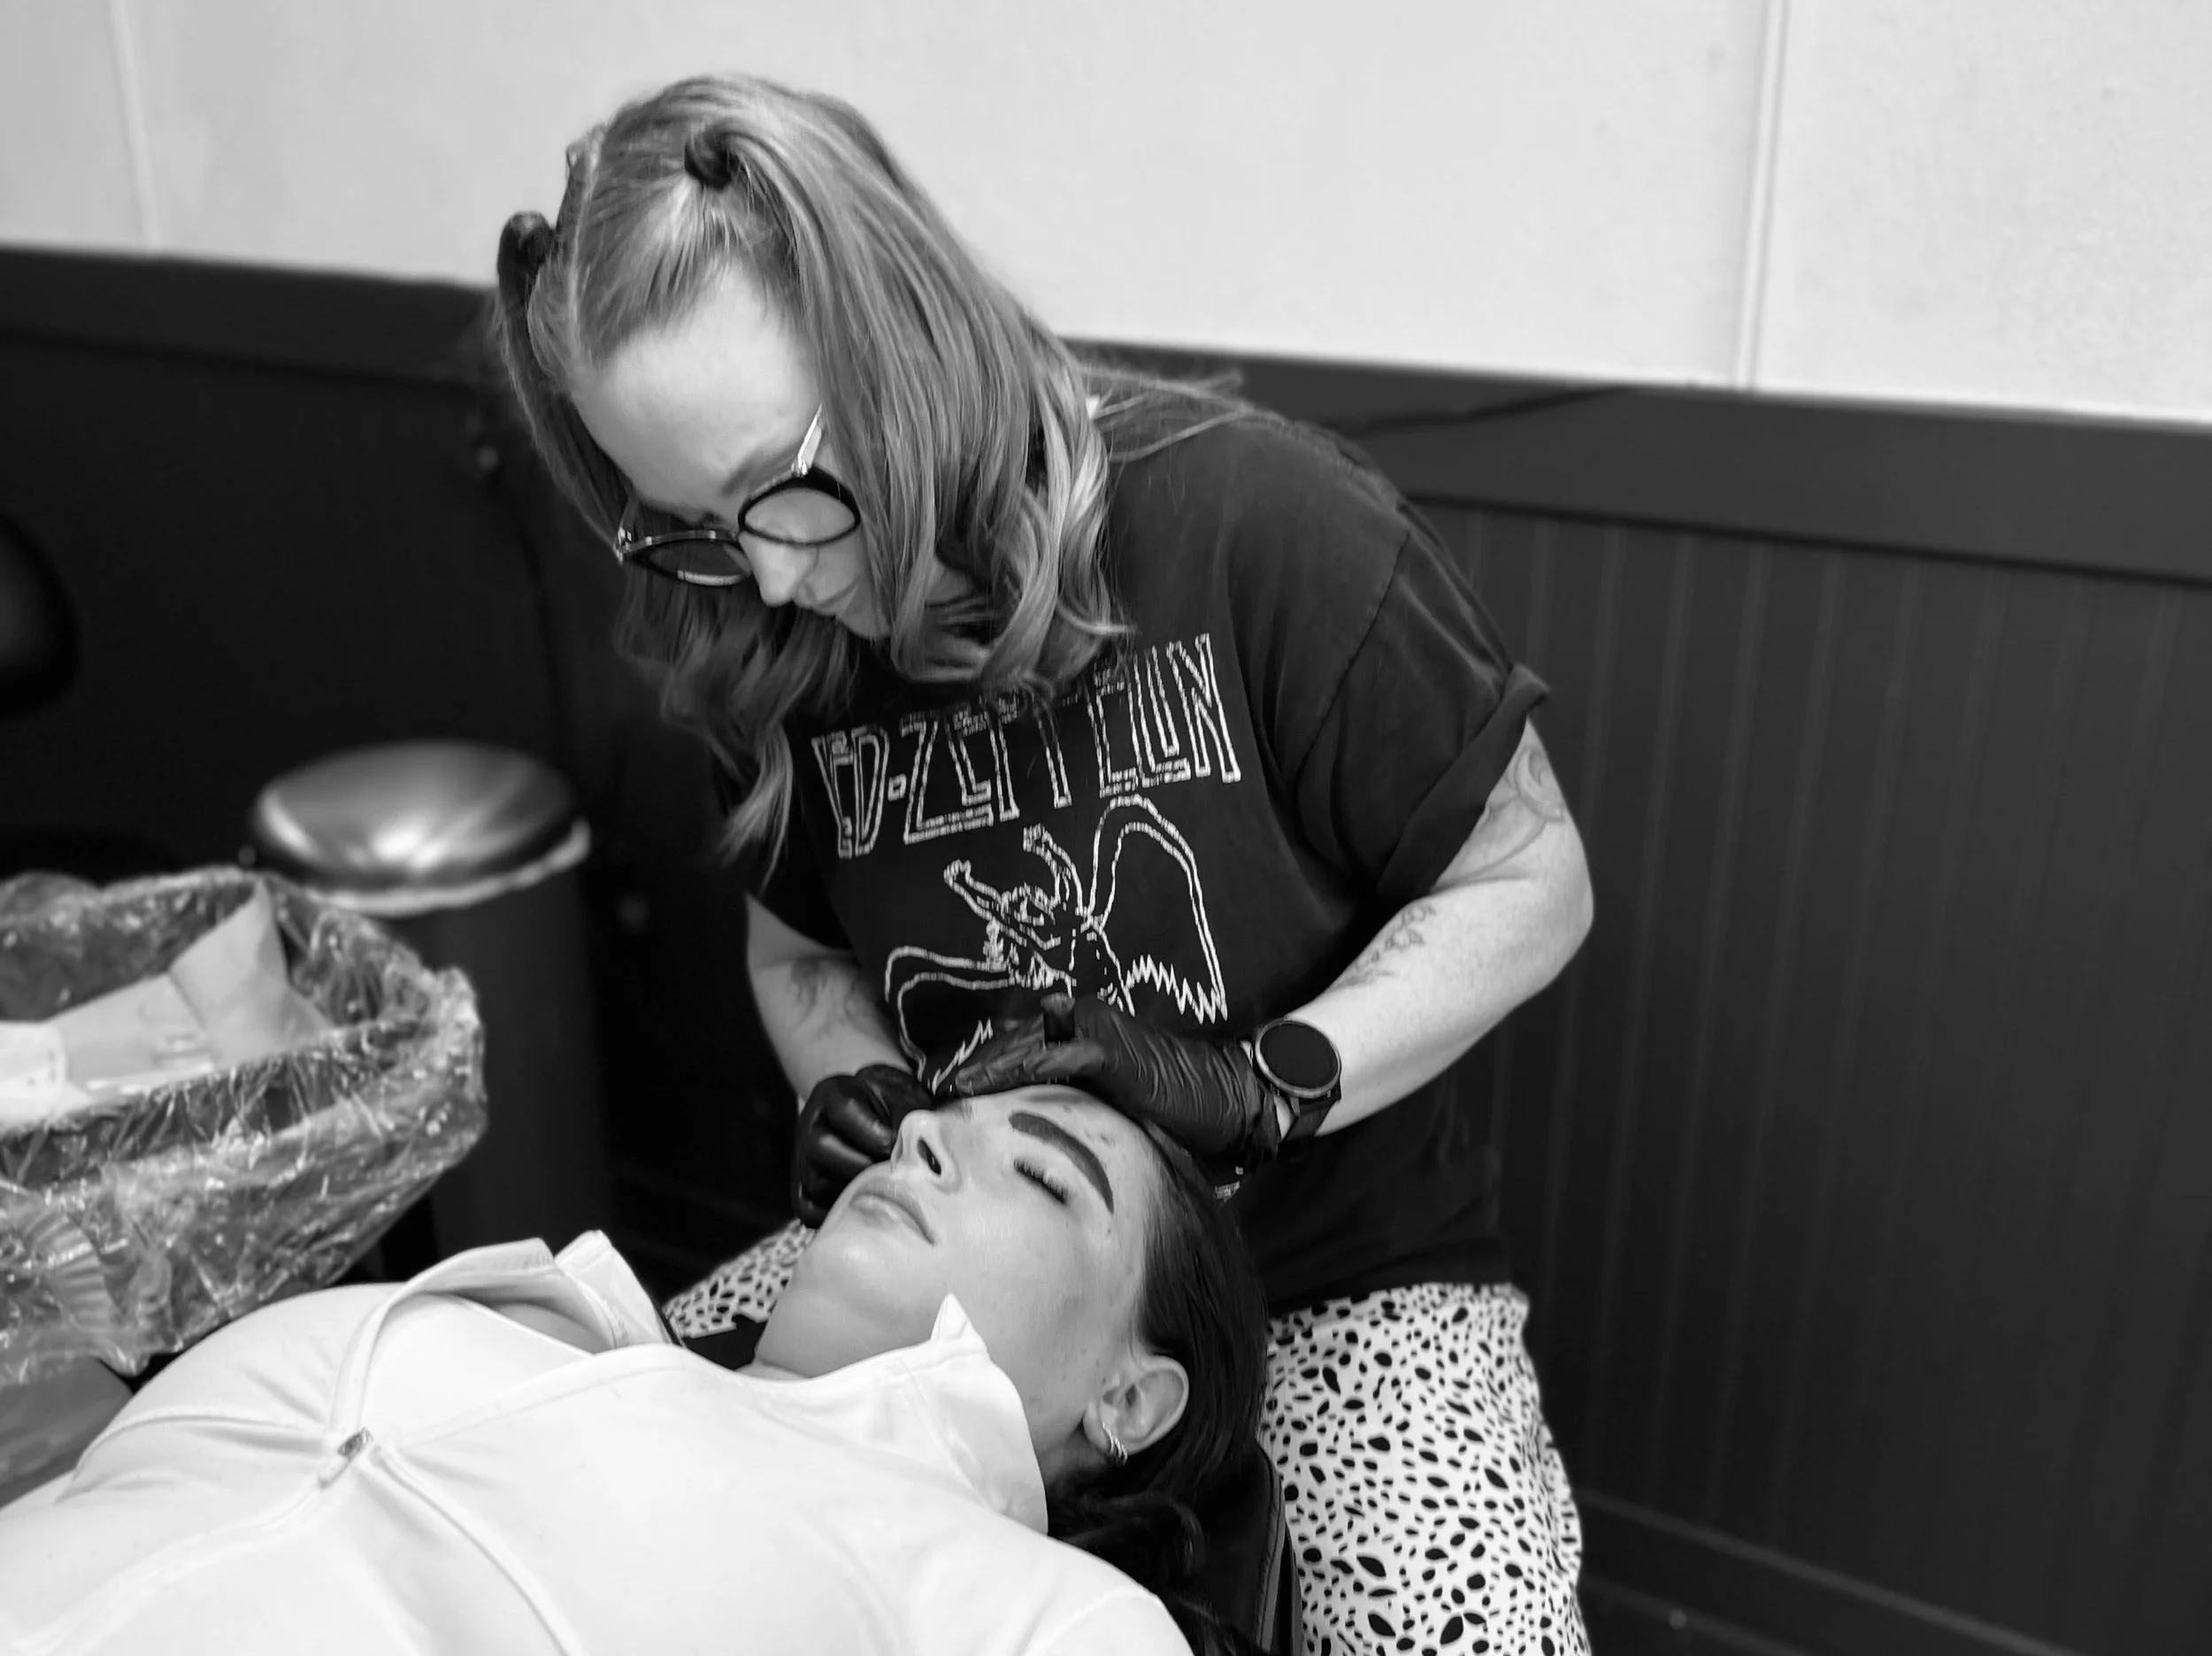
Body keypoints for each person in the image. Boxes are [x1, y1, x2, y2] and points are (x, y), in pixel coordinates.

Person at [495, 73, 1596, 1653]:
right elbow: (795, 953)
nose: (775, 582)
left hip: (1343, 1267)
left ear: (911, 340)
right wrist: (850, 1081)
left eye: (788, 490)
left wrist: (1266, 1080)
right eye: (693, 524)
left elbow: (1533, 880)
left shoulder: (1259, 525)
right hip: (983, 1286)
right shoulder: (758, 630)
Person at [0, 1087, 1270, 1656]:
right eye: (945, 1115)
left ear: (1130, 1399)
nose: (925, 1131)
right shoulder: (552, 1326)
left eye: (1043, 1174)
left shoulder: (1033, 1611)